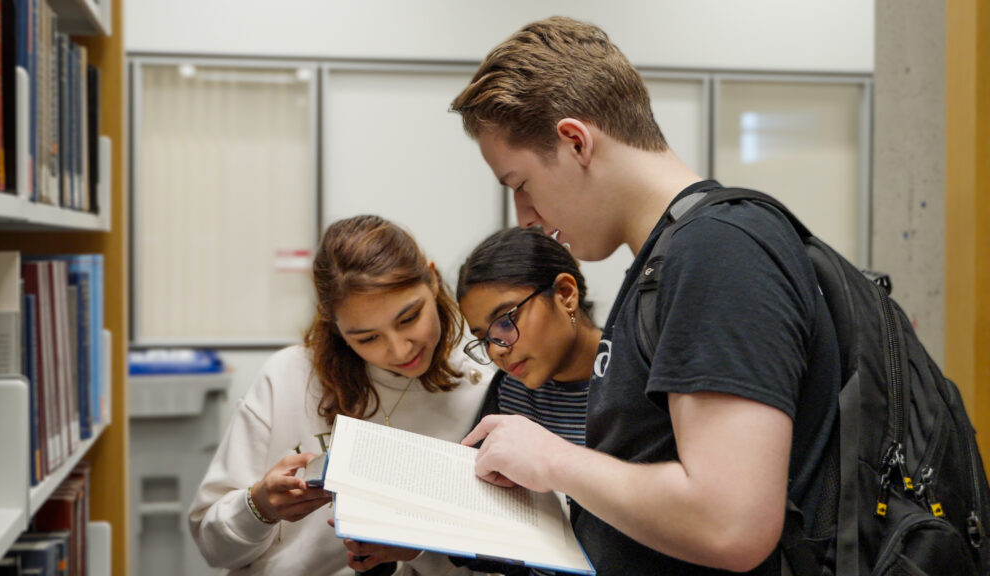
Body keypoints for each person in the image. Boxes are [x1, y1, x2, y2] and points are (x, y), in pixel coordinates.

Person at [450, 16, 841, 576]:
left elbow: (730, 523)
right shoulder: (667, 262)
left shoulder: (716, 251)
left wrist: (552, 459)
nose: (526, 219)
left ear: (575, 142)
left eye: (521, 185)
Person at [188, 214, 495, 576]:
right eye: (367, 338)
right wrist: (259, 507)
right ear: (335, 325)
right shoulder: (288, 376)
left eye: (409, 318)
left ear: (431, 278)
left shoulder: (482, 389)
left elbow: (496, 558)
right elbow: (213, 548)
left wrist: (422, 546)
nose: (398, 350)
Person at [452, 226, 601, 576]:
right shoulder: (510, 391)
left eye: (505, 322)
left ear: (566, 294)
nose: (497, 350)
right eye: (483, 339)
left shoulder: (638, 381)